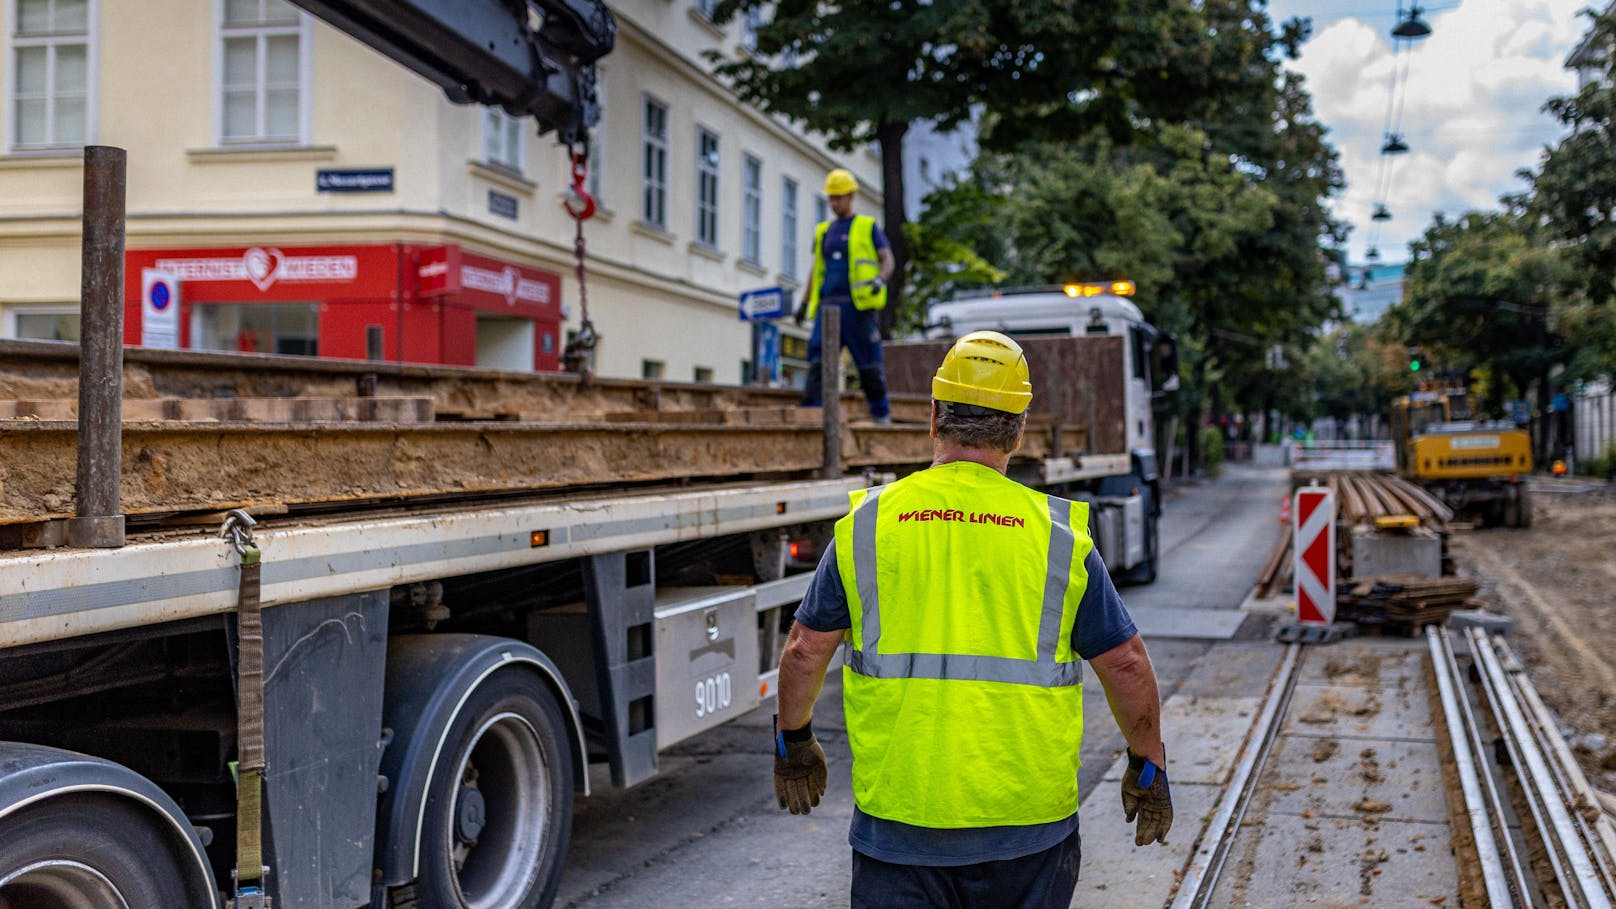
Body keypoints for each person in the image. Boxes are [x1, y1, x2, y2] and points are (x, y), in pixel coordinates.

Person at [771, 331, 1173, 908]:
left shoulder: (869, 526)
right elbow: (1126, 662)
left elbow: (805, 651)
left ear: (933, 416)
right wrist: (1148, 760)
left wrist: (794, 738)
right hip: (1028, 829)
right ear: (1019, 428)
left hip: (900, 825)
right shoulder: (1057, 538)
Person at [795, 168, 895, 424]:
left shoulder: (867, 227)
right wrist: (804, 303)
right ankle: (813, 412)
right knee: (818, 361)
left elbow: (888, 260)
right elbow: (816, 269)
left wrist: (880, 279)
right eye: (831, 198)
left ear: (851, 196)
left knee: (868, 363)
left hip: (857, 308)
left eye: (838, 197)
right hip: (827, 307)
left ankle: (880, 414)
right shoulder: (823, 232)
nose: (834, 202)